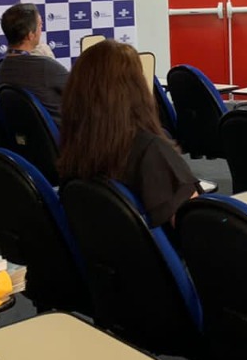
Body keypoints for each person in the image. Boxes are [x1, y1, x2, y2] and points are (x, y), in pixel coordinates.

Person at [58, 40, 199, 228]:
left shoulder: (76, 147)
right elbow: (196, 229)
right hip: (160, 256)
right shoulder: (152, 151)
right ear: (135, 89)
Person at [0, 3, 69, 121]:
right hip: (63, 135)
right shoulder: (45, 67)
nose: (42, 29)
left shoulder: (3, 66)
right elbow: (80, 90)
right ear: (30, 35)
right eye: (40, 25)